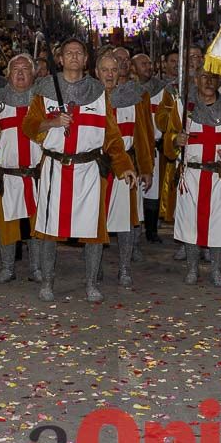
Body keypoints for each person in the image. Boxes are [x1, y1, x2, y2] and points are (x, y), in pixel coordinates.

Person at [22, 38, 137, 303]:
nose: (73, 56)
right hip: (55, 168)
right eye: (68, 52)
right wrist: (51, 122)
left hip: (88, 170)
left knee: (93, 231)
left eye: (79, 53)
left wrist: (124, 166)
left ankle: (91, 283)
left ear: (86, 60)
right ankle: (48, 282)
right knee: (50, 229)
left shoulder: (98, 92)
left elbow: (111, 135)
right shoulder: (44, 89)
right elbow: (29, 127)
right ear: (60, 59)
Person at [166, 68, 221, 287]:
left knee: (219, 226)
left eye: (214, 77)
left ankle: (216, 270)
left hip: (219, 177)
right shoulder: (183, 105)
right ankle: (193, 269)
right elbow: (169, 140)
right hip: (192, 175)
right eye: (204, 76)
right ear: (196, 80)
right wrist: (177, 139)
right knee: (189, 225)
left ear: (220, 80)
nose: (209, 81)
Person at [0, 54, 44, 283]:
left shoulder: (42, 99)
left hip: (36, 173)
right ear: (8, 74)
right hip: (6, 174)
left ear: (34, 73)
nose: (21, 73)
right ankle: (7, 267)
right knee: (7, 224)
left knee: (38, 223)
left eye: (26, 69)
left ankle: (36, 267)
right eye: (16, 69)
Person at [96, 52, 154, 290]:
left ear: (121, 70)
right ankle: (95, 266)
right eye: (105, 69)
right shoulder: (88, 96)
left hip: (126, 166)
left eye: (114, 69)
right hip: (95, 165)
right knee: (95, 219)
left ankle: (124, 268)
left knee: (126, 221)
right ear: (97, 72)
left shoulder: (136, 97)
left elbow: (143, 135)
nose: (110, 74)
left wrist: (146, 167)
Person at [133, 52, 171, 245]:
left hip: (154, 146)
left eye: (149, 63)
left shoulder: (162, 90)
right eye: (143, 64)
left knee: (152, 190)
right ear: (133, 68)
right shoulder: (129, 91)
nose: (148, 67)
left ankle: (152, 229)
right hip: (134, 148)